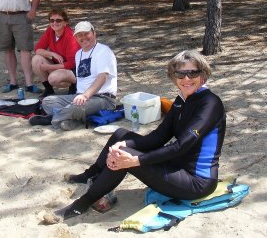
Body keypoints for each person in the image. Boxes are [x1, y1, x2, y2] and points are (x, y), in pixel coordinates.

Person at [45, 50, 226, 222]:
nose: (186, 79)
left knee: (124, 158)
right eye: (181, 74)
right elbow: (158, 137)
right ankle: (89, 175)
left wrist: (136, 161)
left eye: (192, 73)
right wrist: (123, 143)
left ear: (203, 75)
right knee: (120, 135)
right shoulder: (182, 100)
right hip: (176, 167)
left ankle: (80, 205)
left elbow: (181, 147)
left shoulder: (210, 103)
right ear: (174, 76)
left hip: (196, 182)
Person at [29, 21, 118, 131]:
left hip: (103, 98)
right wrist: (80, 96)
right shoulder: (78, 54)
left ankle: (53, 119)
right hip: (80, 97)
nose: (83, 37)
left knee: (76, 107)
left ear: (94, 34)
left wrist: (85, 96)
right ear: (75, 38)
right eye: (80, 35)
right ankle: (71, 120)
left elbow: (102, 77)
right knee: (48, 101)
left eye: (87, 34)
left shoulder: (103, 51)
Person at [32, 8, 80, 99]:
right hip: (59, 65)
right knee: (36, 59)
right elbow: (38, 49)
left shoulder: (70, 36)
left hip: (73, 70)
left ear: (65, 22)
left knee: (53, 79)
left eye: (58, 20)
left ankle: (74, 85)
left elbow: (71, 64)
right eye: (52, 20)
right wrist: (53, 54)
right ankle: (49, 90)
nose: (55, 23)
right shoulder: (50, 30)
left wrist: (49, 67)